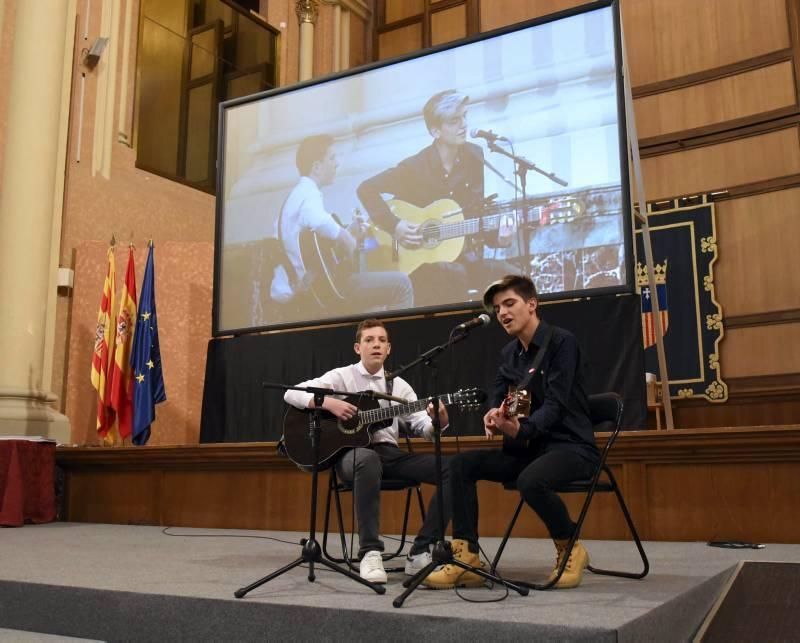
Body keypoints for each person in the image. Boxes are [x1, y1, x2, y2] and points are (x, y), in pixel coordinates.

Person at [423, 274, 600, 590]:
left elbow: (557, 406)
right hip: (528, 448)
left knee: (530, 479)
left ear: (532, 304)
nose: (502, 313)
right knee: (461, 465)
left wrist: (522, 427)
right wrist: (494, 414)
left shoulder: (561, 342)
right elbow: (498, 390)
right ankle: (467, 558)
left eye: (510, 303)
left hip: (571, 447)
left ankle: (570, 546)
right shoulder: (510, 354)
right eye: (497, 308)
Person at [284, 318, 452, 584]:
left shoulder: (399, 386)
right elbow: (292, 394)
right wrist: (329, 403)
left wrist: (438, 420)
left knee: (453, 468)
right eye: (369, 340)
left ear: (389, 349)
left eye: (381, 341)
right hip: (352, 457)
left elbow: (423, 427)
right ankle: (370, 552)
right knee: (368, 458)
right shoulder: (341, 377)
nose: (376, 345)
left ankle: (421, 550)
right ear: (357, 347)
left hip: (391, 455)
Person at [357, 90, 517, 307]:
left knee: (514, 280)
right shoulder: (414, 168)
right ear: (435, 131)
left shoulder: (474, 156)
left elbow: (474, 215)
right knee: (452, 275)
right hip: (418, 266)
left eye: (464, 116)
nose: (464, 125)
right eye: (454, 120)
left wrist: (499, 238)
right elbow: (366, 189)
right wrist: (395, 226)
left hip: (463, 260)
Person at [271, 134, 413, 313]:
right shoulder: (308, 193)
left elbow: (315, 250)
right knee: (402, 284)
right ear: (316, 167)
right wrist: (349, 239)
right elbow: (318, 220)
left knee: (378, 304)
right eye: (332, 158)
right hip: (325, 291)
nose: (337, 163)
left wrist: (351, 230)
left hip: (316, 288)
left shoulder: (294, 198)